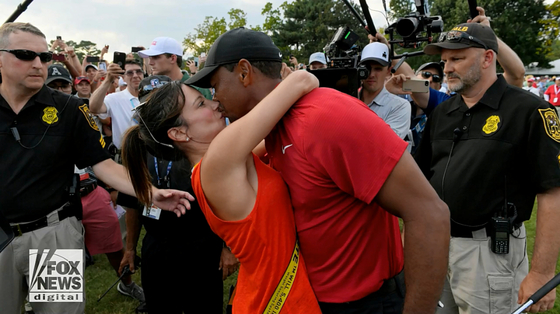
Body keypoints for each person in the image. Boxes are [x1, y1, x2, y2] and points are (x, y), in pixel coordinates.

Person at [186, 27, 450, 314]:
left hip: (364, 304)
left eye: (215, 86)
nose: (215, 100)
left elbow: (429, 214)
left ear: (244, 73)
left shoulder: (325, 117)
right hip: (313, 300)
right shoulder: (272, 126)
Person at [0, 22, 191, 314]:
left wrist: (149, 191)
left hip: (52, 236)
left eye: (46, 56)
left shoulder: (69, 109)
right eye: (25, 54)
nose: (38, 64)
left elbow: (102, 163)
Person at [121, 70, 323, 313]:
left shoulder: (219, 163)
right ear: (180, 133)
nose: (215, 103)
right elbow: (303, 80)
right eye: (201, 103)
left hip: (274, 293)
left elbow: (272, 139)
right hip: (277, 301)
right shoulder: (219, 160)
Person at [415, 21, 560, 314]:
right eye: (444, 61)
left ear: (487, 58)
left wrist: (542, 273)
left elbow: (553, 193)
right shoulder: (444, 112)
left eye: (457, 58)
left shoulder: (528, 110)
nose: (447, 68)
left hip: (490, 255)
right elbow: (419, 175)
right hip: (436, 248)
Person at [119, 75, 228, 314]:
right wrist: (130, 249)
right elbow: (133, 205)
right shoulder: (137, 148)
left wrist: (228, 248)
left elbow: (224, 203)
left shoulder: (198, 145)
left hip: (201, 245)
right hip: (157, 247)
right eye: (151, 104)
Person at [359, 42, 411, 140]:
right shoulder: (347, 98)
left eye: (378, 69)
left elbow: (386, 146)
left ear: (388, 71)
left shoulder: (399, 106)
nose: (371, 74)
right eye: (367, 68)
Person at [138, 37, 212, 99]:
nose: (150, 63)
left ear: (173, 58)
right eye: (150, 58)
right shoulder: (152, 89)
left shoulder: (197, 89)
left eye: (156, 57)